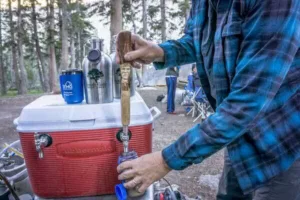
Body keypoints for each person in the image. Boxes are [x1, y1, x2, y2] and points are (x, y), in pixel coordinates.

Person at [116, 1, 300, 199]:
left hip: (281, 143)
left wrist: (164, 161)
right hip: (238, 139)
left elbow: (247, 103)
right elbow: (196, 42)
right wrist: (159, 52)